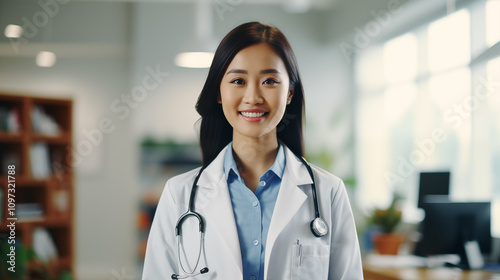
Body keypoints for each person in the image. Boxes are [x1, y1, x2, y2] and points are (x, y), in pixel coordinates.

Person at [142, 21, 363, 280]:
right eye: (238, 80)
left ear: (290, 92)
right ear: (219, 93)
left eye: (269, 81)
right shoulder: (178, 194)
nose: (253, 97)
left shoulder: (328, 192)